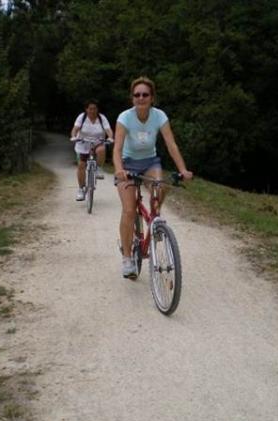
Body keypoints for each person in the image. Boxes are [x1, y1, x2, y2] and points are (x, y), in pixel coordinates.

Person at [113, 76, 193, 279]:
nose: (141, 98)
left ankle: (155, 223)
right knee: (129, 210)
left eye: (145, 94)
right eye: (137, 95)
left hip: (149, 163)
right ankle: (128, 257)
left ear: (152, 98)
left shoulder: (159, 116)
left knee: (160, 187)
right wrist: (119, 169)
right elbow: (117, 148)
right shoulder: (124, 118)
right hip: (128, 164)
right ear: (132, 98)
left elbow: (171, 144)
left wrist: (182, 170)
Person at [70, 99, 114, 201]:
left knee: (101, 150)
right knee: (81, 165)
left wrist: (110, 137)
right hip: (83, 143)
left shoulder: (102, 118)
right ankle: (81, 189)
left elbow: (108, 130)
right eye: (90, 109)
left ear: (97, 109)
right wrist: (73, 136)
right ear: (86, 109)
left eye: (94, 109)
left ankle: (98, 168)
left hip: (97, 142)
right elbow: (75, 129)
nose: (92, 111)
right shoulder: (82, 117)